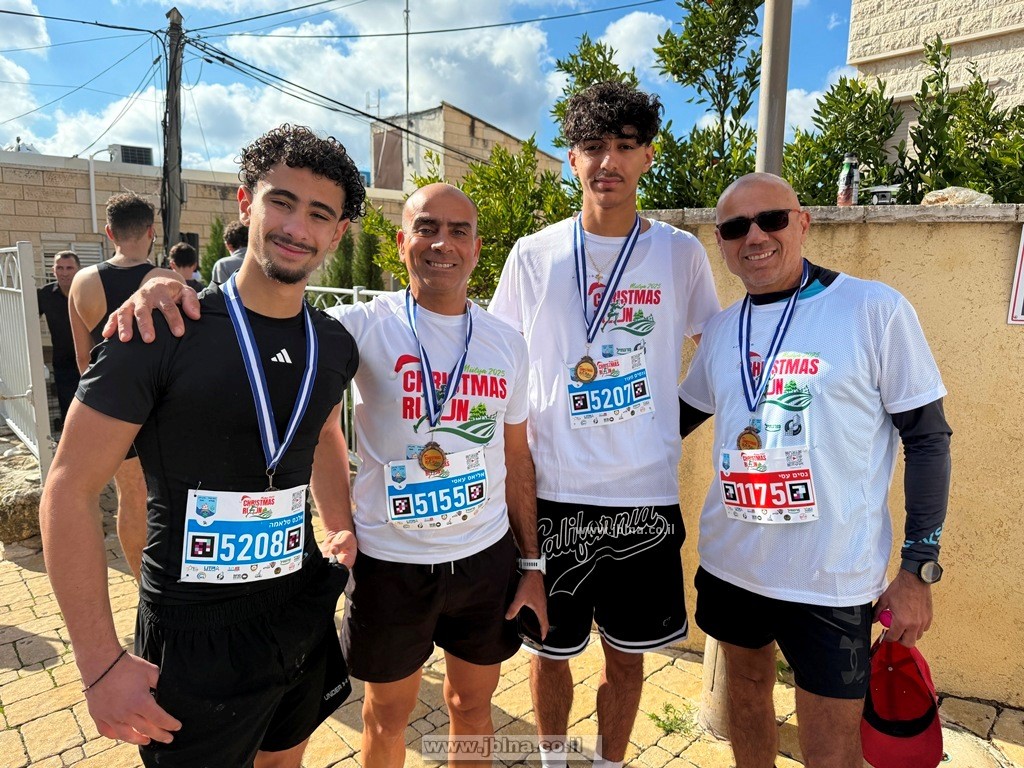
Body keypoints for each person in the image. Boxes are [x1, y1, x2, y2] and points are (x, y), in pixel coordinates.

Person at [101, 182, 548, 768]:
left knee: (472, 706)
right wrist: (163, 285)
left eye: (458, 231)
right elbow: (290, 365)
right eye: (426, 228)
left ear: (477, 247)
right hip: (390, 562)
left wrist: (532, 564)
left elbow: (517, 459)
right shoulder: (354, 326)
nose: (443, 243)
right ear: (401, 243)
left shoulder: (507, 342)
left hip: (483, 558)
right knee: (386, 716)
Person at [40, 123, 365, 768]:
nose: (297, 226)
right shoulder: (160, 329)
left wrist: (339, 525)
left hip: (299, 605)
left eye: (319, 214)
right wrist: (100, 664)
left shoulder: (333, 344)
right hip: (193, 631)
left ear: (338, 233)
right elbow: (68, 490)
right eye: (281, 202)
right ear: (245, 203)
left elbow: (326, 431)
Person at [677, 172, 951, 768]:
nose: (755, 237)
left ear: (803, 223)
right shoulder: (721, 329)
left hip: (830, 579)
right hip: (732, 565)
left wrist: (917, 571)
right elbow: (671, 423)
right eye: (735, 227)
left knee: (830, 745)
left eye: (772, 219)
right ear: (721, 243)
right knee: (745, 696)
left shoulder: (873, 309)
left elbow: (929, 440)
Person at [489, 80, 720, 768]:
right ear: (571, 158)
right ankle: (554, 761)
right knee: (549, 652)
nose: (607, 162)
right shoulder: (534, 254)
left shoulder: (679, 254)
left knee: (627, 657)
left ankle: (610, 763)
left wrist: (665, 425)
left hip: (643, 497)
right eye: (592, 147)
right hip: (553, 493)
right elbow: (497, 359)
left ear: (648, 155)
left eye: (624, 145)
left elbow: (716, 354)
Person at [67, 192, 168, 581]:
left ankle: (144, 585)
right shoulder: (164, 281)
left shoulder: (81, 282)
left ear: (109, 232)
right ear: (151, 232)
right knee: (170, 493)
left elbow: (83, 358)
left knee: (130, 495)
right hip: (160, 404)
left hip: (110, 403)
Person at [37, 250, 80, 429]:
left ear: (78, 270)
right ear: (53, 270)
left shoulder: (89, 291)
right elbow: (27, 321)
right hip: (64, 363)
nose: (64, 272)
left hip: (93, 359)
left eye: (69, 268)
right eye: (60, 268)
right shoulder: (45, 295)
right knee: (68, 409)